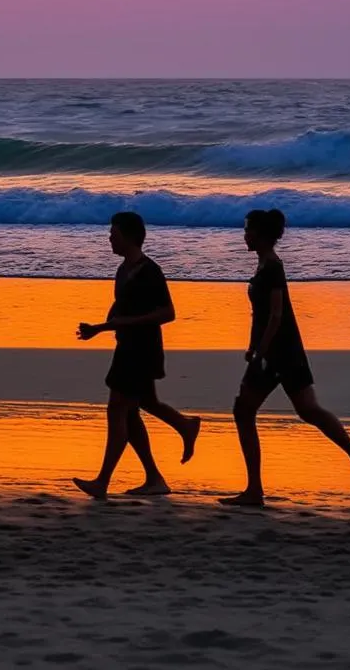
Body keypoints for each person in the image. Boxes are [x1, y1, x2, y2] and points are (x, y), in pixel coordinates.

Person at [221, 208, 350, 507]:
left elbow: (277, 315)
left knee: (243, 411)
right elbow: (263, 315)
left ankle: (254, 490)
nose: (244, 235)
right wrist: (254, 345)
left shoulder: (273, 268)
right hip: (284, 352)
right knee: (308, 409)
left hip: (278, 354)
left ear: (262, 235)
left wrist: (261, 353)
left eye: (248, 230)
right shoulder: (265, 264)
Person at [73, 211, 201, 499]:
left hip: (142, 349)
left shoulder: (149, 271)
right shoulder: (123, 270)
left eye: (114, 234)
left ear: (129, 237)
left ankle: (102, 481)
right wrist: (99, 328)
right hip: (126, 346)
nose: (109, 238)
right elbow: (119, 309)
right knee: (138, 408)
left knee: (118, 409)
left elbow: (168, 313)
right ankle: (160, 469)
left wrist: (126, 324)